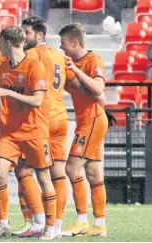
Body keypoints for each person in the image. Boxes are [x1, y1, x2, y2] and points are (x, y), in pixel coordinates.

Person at [0, 26, 56, 240]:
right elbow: (1, 97)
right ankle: (1, 223)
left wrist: (8, 92)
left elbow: (37, 100)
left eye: (0, 45)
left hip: (34, 131)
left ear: (8, 44)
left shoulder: (34, 65)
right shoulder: (4, 68)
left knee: (44, 177)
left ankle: (51, 226)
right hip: (9, 133)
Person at [18, 16, 68, 238]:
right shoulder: (60, 56)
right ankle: (56, 225)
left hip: (41, 121)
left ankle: (40, 221)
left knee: (24, 170)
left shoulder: (30, 55)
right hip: (60, 117)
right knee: (58, 174)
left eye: (26, 32)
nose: (22, 37)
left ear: (40, 35)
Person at [58, 23, 108, 237]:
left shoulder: (92, 60)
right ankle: (99, 225)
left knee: (71, 168)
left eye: (63, 44)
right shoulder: (69, 62)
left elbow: (99, 90)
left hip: (92, 120)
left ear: (74, 42)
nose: (62, 48)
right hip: (86, 120)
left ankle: (81, 220)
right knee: (94, 173)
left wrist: (76, 70)